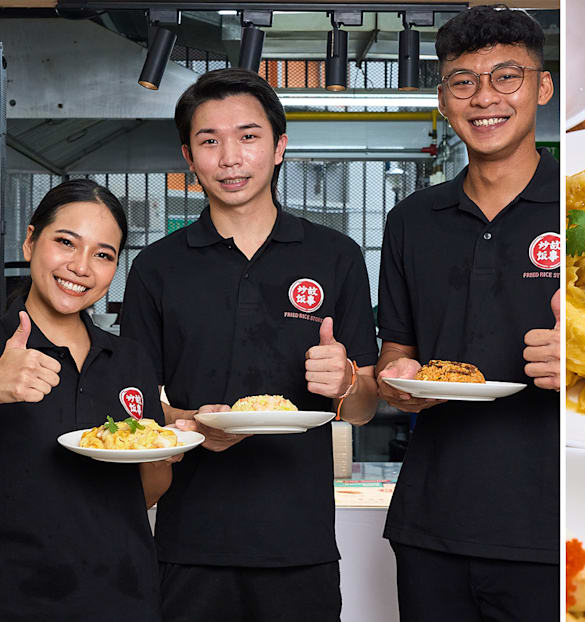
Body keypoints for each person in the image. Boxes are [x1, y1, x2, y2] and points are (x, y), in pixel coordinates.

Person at [120, 68, 379, 621]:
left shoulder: (335, 256)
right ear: (189, 158)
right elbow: (136, 409)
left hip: (301, 546)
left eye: (248, 136)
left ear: (280, 146)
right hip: (189, 549)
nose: (229, 158)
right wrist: (189, 423)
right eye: (209, 141)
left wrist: (349, 381)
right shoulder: (157, 267)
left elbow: (364, 409)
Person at [375, 6, 559, 621]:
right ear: (444, 98)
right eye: (463, 80)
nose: (485, 97)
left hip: (554, 525)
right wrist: (398, 381)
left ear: (542, 85)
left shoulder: (582, 206)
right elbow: (395, 354)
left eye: (507, 76)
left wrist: (584, 358)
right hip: (431, 524)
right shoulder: (410, 222)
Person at [0, 179, 171, 621]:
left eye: (103, 254)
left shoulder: (129, 359)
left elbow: (149, 489)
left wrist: (166, 450)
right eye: (65, 243)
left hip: (122, 596)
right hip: (17, 597)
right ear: (30, 240)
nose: (80, 267)